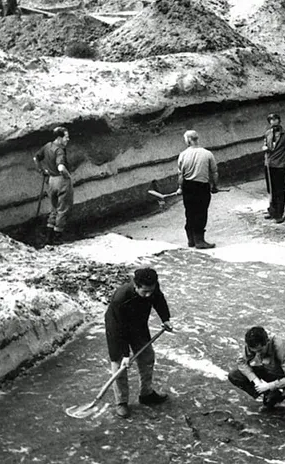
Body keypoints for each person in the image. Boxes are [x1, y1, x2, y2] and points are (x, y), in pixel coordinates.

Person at [104, 267, 174, 419]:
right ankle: (121, 402)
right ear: (136, 286)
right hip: (116, 328)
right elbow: (119, 328)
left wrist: (165, 319)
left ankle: (146, 394)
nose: (148, 295)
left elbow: (159, 299)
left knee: (147, 357)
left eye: (151, 291)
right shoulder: (120, 298)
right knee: (120, 365)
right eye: (145, 292)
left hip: (138, 325)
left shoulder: (152, 287)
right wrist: (125, 354)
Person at [228, 326, 285, 417]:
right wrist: (256, 380)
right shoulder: (252, 344)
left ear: (267, 342)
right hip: (272, 370)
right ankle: (272, 394)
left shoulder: (281, 346)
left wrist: (269, 386)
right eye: (254, 351)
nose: (257, 354)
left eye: (260, 350)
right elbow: (241, 362)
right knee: (234, 375)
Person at [176, 130, 219, 249]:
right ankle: (199, 241)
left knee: (189, 212)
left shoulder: (183, 155)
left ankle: (191, 240)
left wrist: (180, 188)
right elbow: (214, 172)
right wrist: (215, 186)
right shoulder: (207, 154)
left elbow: (180, 175)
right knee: (201, 213)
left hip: (188, 187)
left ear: (188, 140)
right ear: (197, 139)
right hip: (202, 186)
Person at [33, 126, 73, 245]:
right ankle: (57, 238)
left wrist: (42, 171)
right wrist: (68, 176)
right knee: (63, 210)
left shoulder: (47, 146)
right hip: (61, 181)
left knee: (54, 209)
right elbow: (61, 167)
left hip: (51, 181)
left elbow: (35, 158)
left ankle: (49, 238)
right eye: (66, 137)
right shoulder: (59, 150)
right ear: (59, 138)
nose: (68, 139)